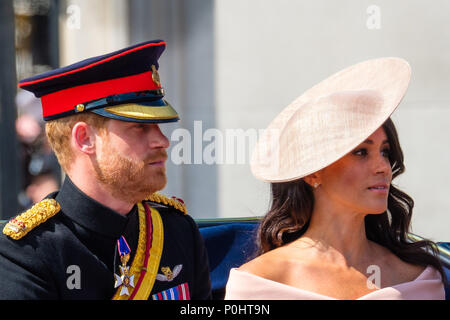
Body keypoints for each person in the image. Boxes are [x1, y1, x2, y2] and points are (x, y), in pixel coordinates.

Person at [0, 40, 211, 300]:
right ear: (85, 139)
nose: (162, 141)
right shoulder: (26, 252)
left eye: (158, 126)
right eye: (140, 127)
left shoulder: (177, 231)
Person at [225, 58, 446, 300]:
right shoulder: (258, 284)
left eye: (385, 151)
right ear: (312, 173)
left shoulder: (419, 278)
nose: (383, 167)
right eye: (361, 152)